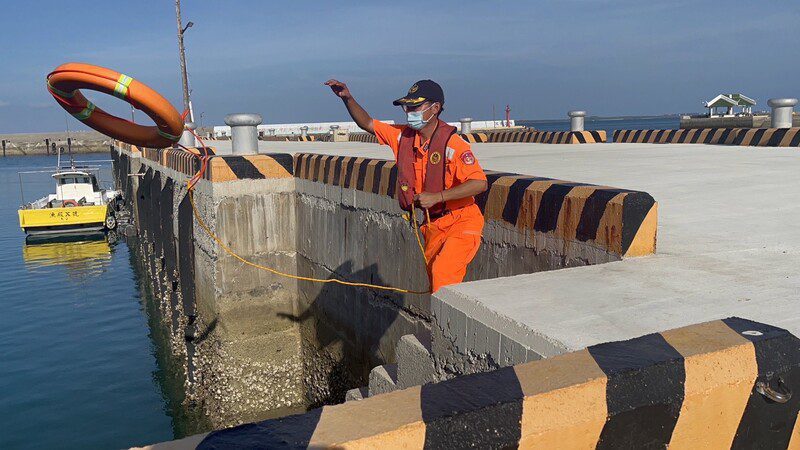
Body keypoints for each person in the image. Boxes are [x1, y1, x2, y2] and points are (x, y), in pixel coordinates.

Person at [324, 79, 488, 293]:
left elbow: (480, 183)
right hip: (432, 226)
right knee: (437, 284)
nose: (409, 112)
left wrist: (438, 196)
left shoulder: (453, 145)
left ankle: (442, 327)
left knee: (443, 275)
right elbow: (368, 123)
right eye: (407, 107)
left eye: (415, 107)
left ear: (435, 108)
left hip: (461, 221)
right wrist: (347, 98)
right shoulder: (403, 138)